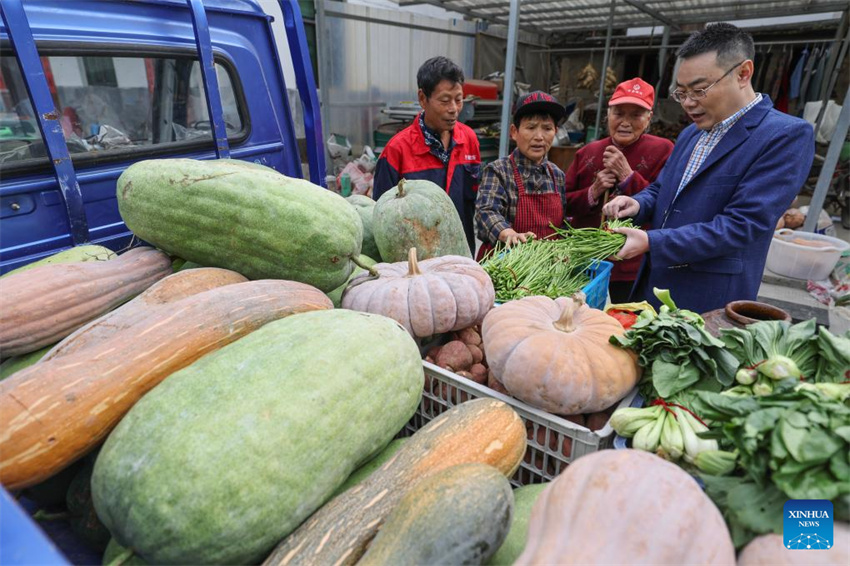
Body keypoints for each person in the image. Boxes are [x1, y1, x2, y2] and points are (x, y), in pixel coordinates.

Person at [602, 23, 815, 314]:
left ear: (743, 73)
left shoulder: (784, 136)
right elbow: (664, 189)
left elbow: (742, 225)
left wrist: (652, 241)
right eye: (681, 93)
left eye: (700, 90)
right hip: (653, 284)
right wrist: (636, 204)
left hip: (708, 299)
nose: (689, 103)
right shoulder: (693, 133)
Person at [564, 78, 673, 302]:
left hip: (631, 263)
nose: (625, 122)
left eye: (636, 115)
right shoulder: (587, 152)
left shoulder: (663, 150)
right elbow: (563, 202)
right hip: (585, 259)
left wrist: (627, 176)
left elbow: (665, 204)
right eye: (619, 113)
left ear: (649, 118)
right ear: (608, 114)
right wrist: (593, 191)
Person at [373, 56, 481, 255]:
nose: (454, 109)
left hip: (461, 255)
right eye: (445, 101)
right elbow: (381, 217)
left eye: (459, 100)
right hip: (418, 260)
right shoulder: (397, 150)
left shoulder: (469, 139)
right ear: (423, 99)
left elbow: (474, 199)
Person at [474, 91, 567, 261]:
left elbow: (561, 225)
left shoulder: (557, 176)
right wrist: (507, 233)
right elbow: (486, 212)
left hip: (544, 267)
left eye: (547, 128)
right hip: (504, 264)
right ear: (514, 132)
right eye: (531, 127)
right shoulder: (498, 171)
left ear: (555, 132)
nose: (539, 137)